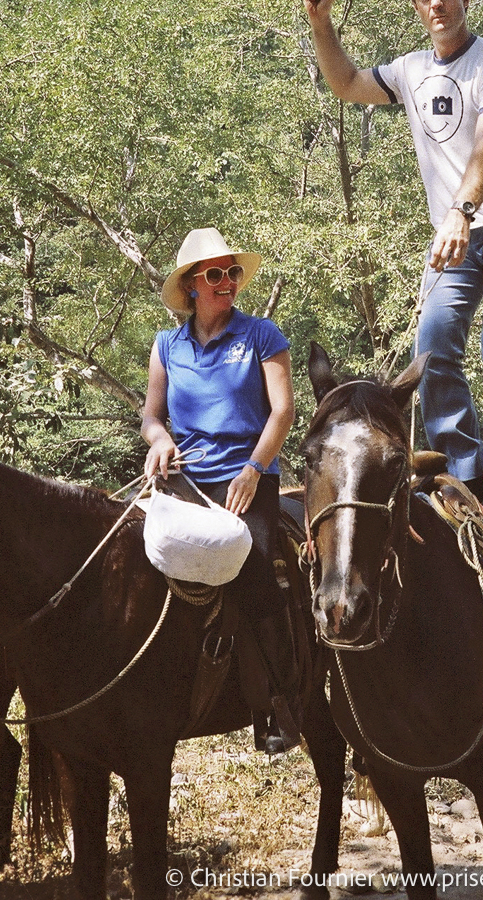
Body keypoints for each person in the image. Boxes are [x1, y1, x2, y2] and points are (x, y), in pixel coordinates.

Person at [303, 0, 483, 523]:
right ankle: (461, 473)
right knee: (432, 350)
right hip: (454, 234)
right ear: (416, 6)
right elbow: (345, 83)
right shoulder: (411, 70)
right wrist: (322, 26)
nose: (437, 4)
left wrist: (462, 211)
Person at [141, 226, 301, 751]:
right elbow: (150, 414)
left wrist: (255, 467)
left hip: (247, 477)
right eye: (216, 274)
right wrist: (158, 439)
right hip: (183, 477)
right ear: (191, 285)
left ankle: (279, 702)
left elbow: (283, 411)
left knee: (252, 571)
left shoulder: (262, 335)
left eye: (232, 272)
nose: (228, 281)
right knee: (135, 561)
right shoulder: (166, 345)